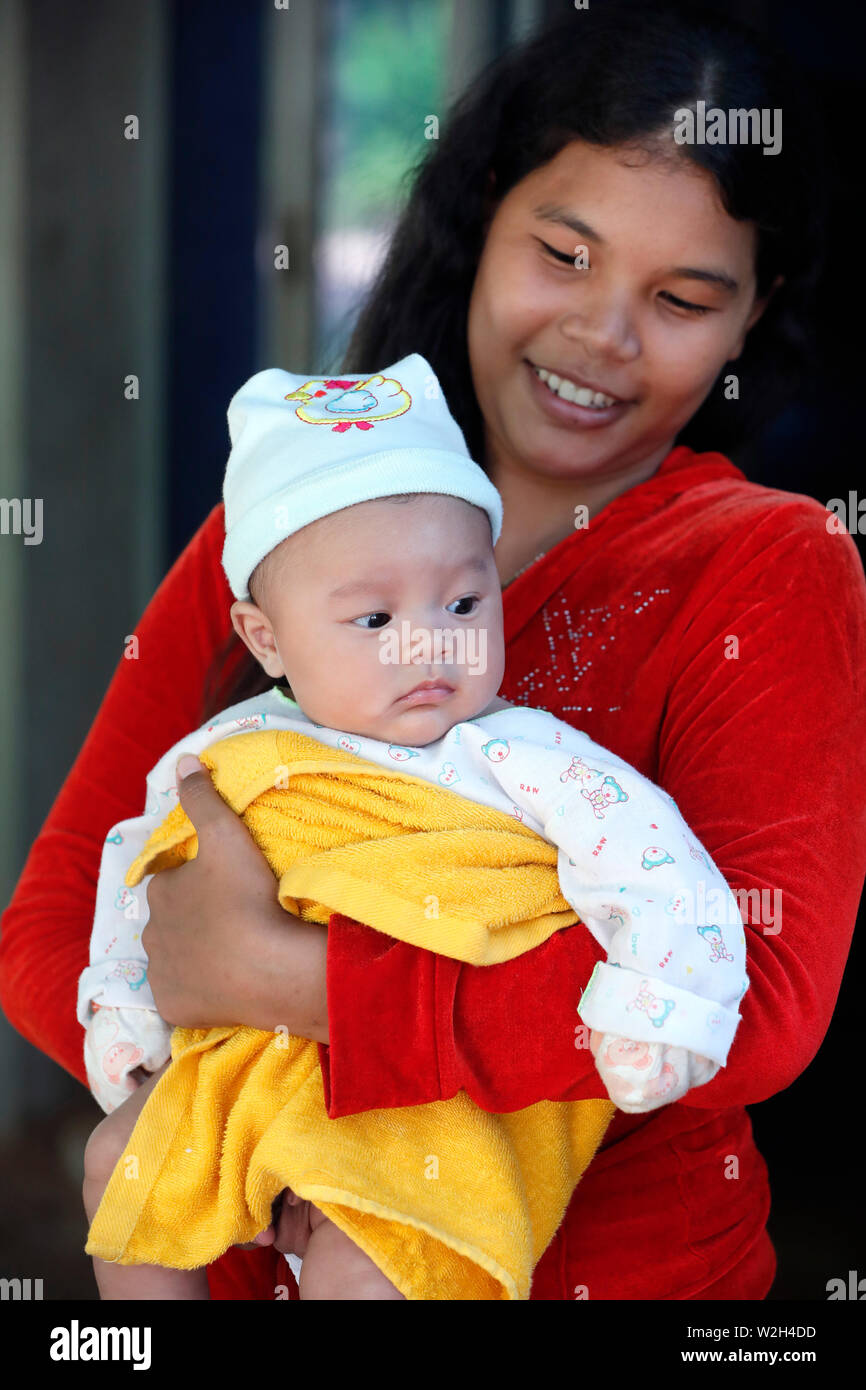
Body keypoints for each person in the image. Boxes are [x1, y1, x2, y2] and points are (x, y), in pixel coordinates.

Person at [2, 0, 865, 1300]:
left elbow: (753, 1007)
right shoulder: (286, 530)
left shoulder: (765, 561)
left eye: (682, 297)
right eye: (561, 255)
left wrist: (289, 981)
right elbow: (56, 923)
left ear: (752, 314)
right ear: (480, 222)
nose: (601, 336)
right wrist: (235, 1101)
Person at [80, 356, 741, 1301]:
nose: (430, 644)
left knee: (370, 1259)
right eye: (375, 617)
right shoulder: (223, 755)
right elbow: (140, 873)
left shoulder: (525, 757)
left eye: (464, 603)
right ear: (266, 639)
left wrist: (654, 1009)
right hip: (257, 1068)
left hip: (432, 1108)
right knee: (118, 1163)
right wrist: (125, 1010)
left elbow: (654, 867)